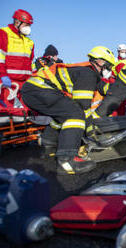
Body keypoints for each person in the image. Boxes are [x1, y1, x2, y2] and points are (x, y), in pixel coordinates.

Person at [21, 46, 116, 175]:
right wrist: (90, 131)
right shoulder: (88, 74)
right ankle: (67, 161)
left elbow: (104, 88)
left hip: (34, 90)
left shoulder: (85, 71)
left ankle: (49, 144)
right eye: (108, 66)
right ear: (100, 62)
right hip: (40, 90)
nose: (108, 70)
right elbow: (83, 105)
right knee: (75, 115)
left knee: (65, 113)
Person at [0, 9, 34, 93]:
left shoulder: (29, 42)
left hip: (24, 85)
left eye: (29, 25)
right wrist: (3, 75)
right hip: (7, 82)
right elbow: (0, 57)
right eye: (26, 25)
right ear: (17, 22)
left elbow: (31, 63)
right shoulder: (4, 33)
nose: (28, 28)